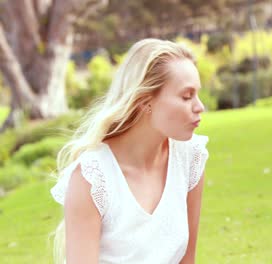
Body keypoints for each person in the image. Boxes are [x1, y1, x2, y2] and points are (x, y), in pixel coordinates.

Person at [50, 38, 209, 264]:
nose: (199, 106)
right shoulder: (92, 178)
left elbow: (187, 260)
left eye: (197, 94)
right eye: (186, 96)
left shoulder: (190, 157)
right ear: (145, 102)